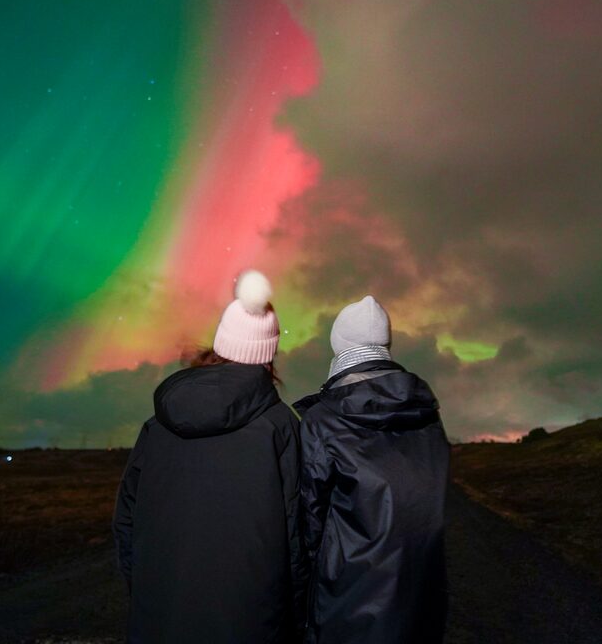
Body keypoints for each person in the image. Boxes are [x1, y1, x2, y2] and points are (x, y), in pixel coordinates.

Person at [112, 270, 306, 644]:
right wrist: (294, 620)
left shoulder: (157, 424)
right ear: (269, 354)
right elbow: (297, 534)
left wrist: (145, 595)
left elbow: (126, 523)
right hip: (252, 623)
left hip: (159, 619)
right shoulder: (281, 426)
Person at [294, 295, 450, 644]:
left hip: (347, 599)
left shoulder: (323, 420)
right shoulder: (426, 412)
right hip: (420, 595)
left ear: (339, 346)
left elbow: (309, 523)